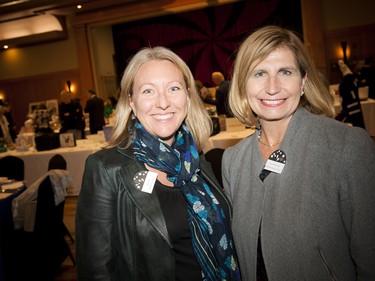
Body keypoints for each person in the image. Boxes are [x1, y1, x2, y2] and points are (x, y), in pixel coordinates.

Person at [222, 25, 375, 281]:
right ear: (243, 85)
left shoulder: (347, 147)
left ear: (303, 81)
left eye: (285, 72)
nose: (272, 87)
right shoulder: (233, 160)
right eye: (259, 73)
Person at [75, 46, 241, 281]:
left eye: (173, 88)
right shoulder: (105, 169)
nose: (163, 103)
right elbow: (95, 272)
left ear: (187, 95)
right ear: (131, 101)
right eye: (148, 91)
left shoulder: (195, 158)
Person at [336, 60, 365, 128]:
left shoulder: (344, 83)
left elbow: (343, 98)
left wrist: (343, 110)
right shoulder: (353, 79)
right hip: (356, 106)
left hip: (349, 108)